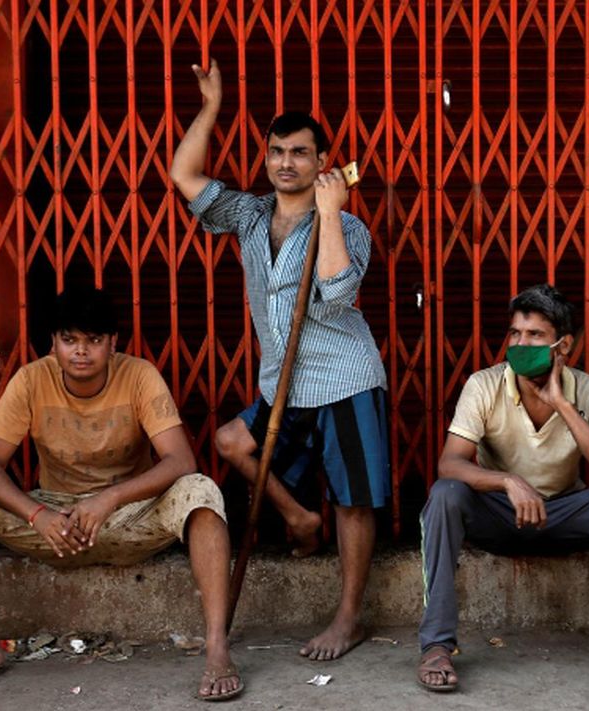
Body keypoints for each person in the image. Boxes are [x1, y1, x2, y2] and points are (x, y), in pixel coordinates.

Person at [0, 287, 240, 701]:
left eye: (94, 340)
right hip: (55, 521)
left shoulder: (138, 375)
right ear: (53, 343)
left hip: (127, 518)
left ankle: (217, 649)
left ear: (113, 343)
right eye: (69, 340)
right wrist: (37, 515)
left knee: (201, 491)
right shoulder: (32, 379)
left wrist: (111, 498)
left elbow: (180, 461)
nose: (81, 352)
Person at [170, 59, 389, 661]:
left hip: (343, 378)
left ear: (324, 162)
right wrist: (213, 105)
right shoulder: (248, 215)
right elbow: (183, 173)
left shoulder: (348, 226)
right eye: (276, 151)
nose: (285, 162)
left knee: (353, 499)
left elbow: (338, 294)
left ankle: (348, 618)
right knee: (233, 441)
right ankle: (298, 519)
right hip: (284, 382)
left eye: (299, 152)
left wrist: (326, 214)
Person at [416, 283, 589, 696]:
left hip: (562, 514)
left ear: (564, 346)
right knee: (444, 494)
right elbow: (449, 462)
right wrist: (508, 481)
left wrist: (562, 403)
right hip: (499, 513)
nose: (520, 344)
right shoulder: (484, 385)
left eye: (535, 336)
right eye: (515, 334)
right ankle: (436, 645)